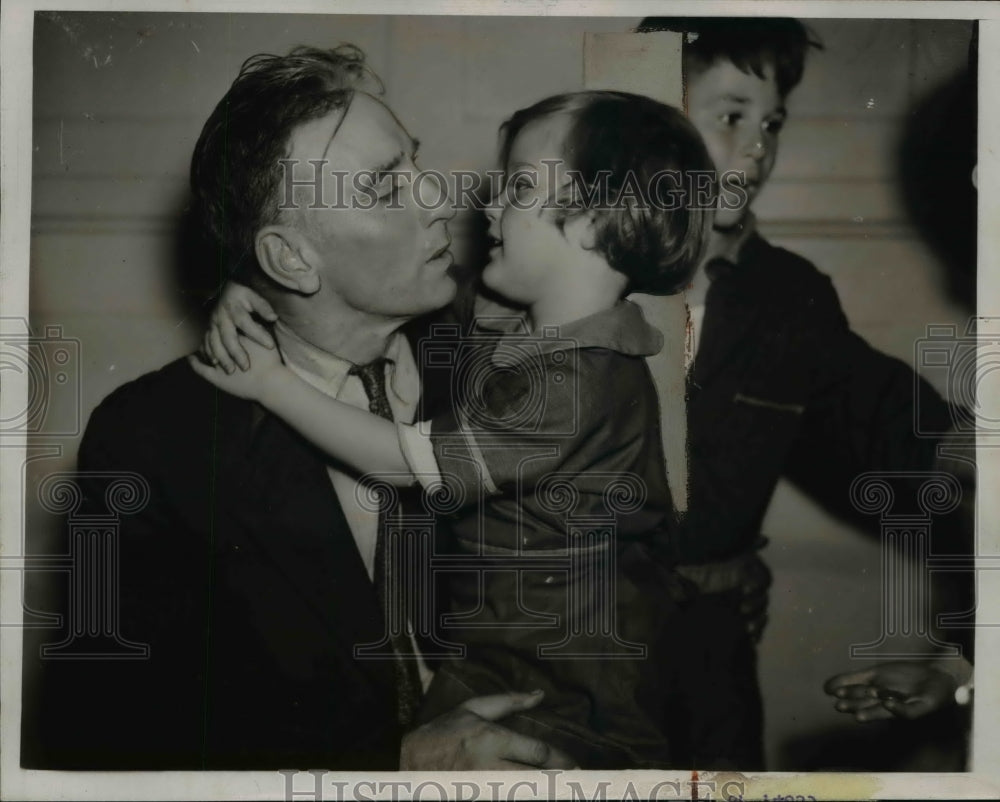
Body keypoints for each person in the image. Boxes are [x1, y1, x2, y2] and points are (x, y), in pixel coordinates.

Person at [23, 45, 577, 771]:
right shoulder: (153, 442)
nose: (439, 199)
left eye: (417, 163)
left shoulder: (495, 355)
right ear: (289, 259)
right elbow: (110, 744)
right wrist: (396, 765)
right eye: (385, 189)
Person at [192, 90, 716, 769]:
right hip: (504, 651)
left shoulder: (578, 380)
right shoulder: (505, 317)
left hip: (568, 684)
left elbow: (409, 463)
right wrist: (261, 289)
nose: (481, 205)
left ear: (595, 219)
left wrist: (272, 384)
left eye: (520, 186)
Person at [635, 17, 970, 768]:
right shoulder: (571, 277)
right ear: (650, 120)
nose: (758, 146)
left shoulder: (792, 298)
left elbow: (894, 416)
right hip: (577, 645)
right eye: (730, 116)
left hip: (712, 654)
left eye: (773, 122)